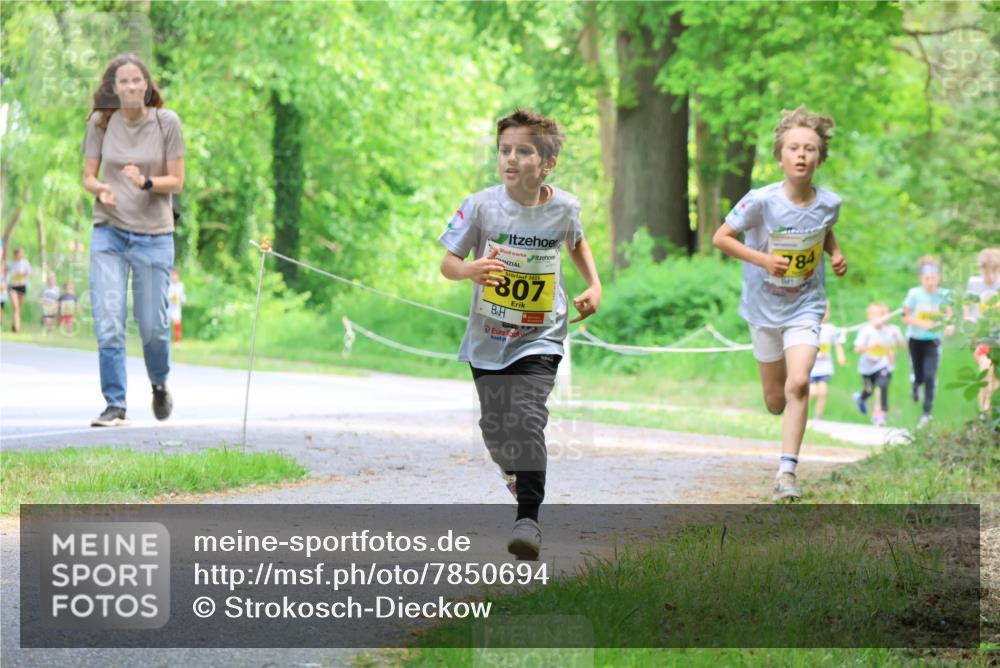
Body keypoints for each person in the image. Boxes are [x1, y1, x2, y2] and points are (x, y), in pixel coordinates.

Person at [439, 108, 602, 559]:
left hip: (541, 335)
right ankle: (515, 472)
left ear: (547, 163)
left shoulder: (564, 206)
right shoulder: (480, 206)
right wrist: (470, 270)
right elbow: (449, 263)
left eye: (523, 151)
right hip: (488, 339)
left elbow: (575, 240)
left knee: (527, 419)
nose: (511, 159)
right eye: (504, 150)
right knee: (496, 428)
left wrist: (594, 284)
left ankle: (527, 520)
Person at [713, 106, 847, 501]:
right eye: (794, 148)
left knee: (800, 382)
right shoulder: (760, 201)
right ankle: (782, 402)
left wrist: (835, 253)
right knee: (775, 401)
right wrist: (763, 260)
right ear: (780, 156)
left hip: (806, 305)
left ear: (820, 158)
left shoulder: (829, 202)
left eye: (810, 148)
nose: (802, 154)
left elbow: (824, 229)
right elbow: (721, 238)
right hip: (763, 309)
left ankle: (787, 472)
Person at [82, 53, 185, 427]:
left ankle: (159, 383)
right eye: (123, 81)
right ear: (113, 88)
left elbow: (177, 181)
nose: (130, 86)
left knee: (153, 326)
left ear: (146, 85)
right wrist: (102, 190)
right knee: (109, 318)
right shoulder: (101, 122)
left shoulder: (166, 122)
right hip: (108, 231)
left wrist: (145, 182)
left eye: (136, 80)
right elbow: (88, 176)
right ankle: (115, 404)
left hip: (154, 235)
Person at [902, 256, 954, 429]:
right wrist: (925, 324)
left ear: (939, 277)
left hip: (933, 341)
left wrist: (949, 326)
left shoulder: (945, 295)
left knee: (931, 376)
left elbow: (949, 316)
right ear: (921, 278)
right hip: (915, 340)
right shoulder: (914, 294)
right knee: (919, 375)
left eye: (933, 278)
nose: (930, 282)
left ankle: (926, 414)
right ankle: (915, 384)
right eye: (926, 278)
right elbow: (905, 317)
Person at [852, 303, 905, 427]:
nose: (881, 317)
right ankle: (861, 398)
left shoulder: (888, 330)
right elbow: (857, 349)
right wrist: (870, 346)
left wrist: (892, 350)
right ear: (869, 316)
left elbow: (893, 346)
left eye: (882, 314)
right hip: (867, 368)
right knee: (869, 391)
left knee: (883, 384)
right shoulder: (866, 330)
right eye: (876, 314)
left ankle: (882, 413)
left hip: (882, 365)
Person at [964, 248, 1000, 419]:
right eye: (987, 272)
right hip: (981, 337)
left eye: (994, 271)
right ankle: (984, 412)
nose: (990, 277)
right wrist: (968, 319)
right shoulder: (974, 284)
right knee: (985, 368)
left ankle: (988, 412)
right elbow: (967, 305)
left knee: (995, 378)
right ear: (981, 269)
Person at [808, 301, 845, 422]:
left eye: (826, 311)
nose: (823, 314)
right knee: (812, 392)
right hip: (811, 368)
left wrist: (840, 355)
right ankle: (799, 410)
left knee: (823, 392)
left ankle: (818, 417)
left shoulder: (831, 329)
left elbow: (837, 344)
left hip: (825, 368)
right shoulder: (808, 327)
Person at [7, 248, 32, 333]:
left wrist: (24, 273)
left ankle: (14, 324)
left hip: (22, 286)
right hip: (12, 286)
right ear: (15, 254)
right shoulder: (10, 263)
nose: (21, 255)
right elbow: (5, 274)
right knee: (15, 306)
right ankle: (17, 329)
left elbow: (30, 273)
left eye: (22, 253)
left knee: (19, 308)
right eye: (20, 253)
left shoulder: (25, 262)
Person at [167, 267, 187, 345]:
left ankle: (177, 341)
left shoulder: (181, 285)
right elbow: (166, 295)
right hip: (168, 307)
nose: (174, 277)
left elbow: (182, 295)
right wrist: (171, 297)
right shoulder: (168, 285)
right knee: (166, 325)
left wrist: (183, 299)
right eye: (173, 275)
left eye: (176, 275)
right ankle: (167, 340)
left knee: (177, 323)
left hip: (176, 308)